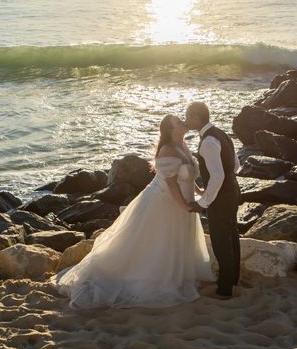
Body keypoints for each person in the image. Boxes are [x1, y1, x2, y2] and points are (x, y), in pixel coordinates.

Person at [52, 114, 214, 309]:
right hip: (165, 202)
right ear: (171, 130)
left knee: (177, 240)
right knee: (159, 242)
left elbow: (187, 176)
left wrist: (199, 192)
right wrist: (186, 206)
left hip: (182, 200)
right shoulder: (167, 151)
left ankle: (179, 276)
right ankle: (150, 278)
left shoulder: (182, 145)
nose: (183, 122)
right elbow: (171, 184)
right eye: (178, 122)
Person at [185, 102, 241, 300]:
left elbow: (217, 177)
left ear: (196, 117)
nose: (185, 119)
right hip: (233, 190)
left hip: (221, 196)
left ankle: (224, 290)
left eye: (187, 116)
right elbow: (236, 165)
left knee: (221, 241)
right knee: (232, 236)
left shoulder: (208, 142)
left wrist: (203, 202)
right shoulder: (221, 134)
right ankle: (232, 281)